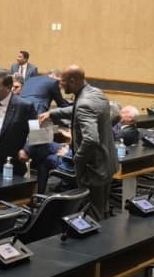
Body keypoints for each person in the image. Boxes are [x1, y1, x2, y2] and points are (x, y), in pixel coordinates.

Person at [44, 65, 117, 219]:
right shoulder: (95, 93)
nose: (60, 85)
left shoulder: (84, 103)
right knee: (102, 209)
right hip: (107, 162)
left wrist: (77, 159)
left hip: (93, 169)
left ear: (72, 80)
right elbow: (78, 109)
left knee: (93, 213)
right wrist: (53, 113)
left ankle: (99, 242)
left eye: (62, 81)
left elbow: (91, 139)